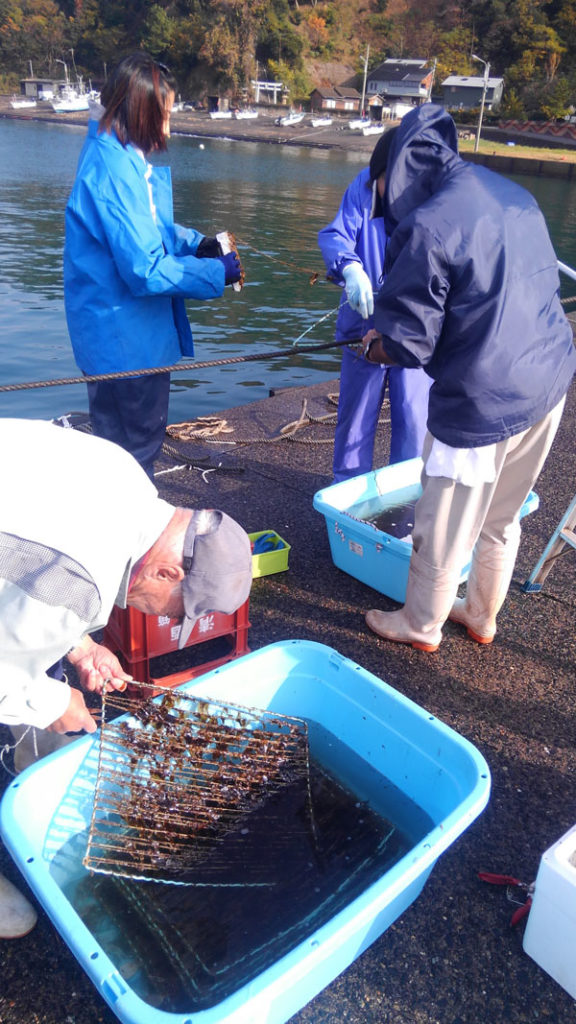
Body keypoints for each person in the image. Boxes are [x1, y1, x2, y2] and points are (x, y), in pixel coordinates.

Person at [0, 416, 253, 936]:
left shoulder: (126, 476)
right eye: (176, 610)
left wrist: (81, 645)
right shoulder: (82, 582)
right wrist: (54, 704)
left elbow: (28, 562)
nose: (164, 618)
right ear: (168, 573)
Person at [360, 103, 576, 651]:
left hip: (485, 399)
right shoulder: (510, 193)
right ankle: (480, 616)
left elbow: (410, 343)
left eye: (378, 187)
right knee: (501, 517)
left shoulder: (430, 226)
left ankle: (420, 623)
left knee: (445, 519)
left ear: (398, 173)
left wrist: (374, 346)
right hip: (549, 380)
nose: (380, 200)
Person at [64, 52, 242, 480]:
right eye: (164, 113)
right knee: (136, 450)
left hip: (111, 337)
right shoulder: (114, 169)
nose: (168, 125)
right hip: (126, 342)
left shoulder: (118, 156)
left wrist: (197, 244)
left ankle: (112, 536)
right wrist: (218, 273)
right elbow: (144, 268)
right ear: (141, 111)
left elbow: (148, 227)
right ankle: (134, 540)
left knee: (112, 450)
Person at [318, 130, 431, 482]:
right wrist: (350, 269)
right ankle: (346, 496)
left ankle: (407, 497)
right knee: (355, 416)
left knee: (414, 415)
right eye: (381, 180)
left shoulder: (430, 200)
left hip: (412, 324)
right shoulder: (363, 186)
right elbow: (336, 235)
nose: (387, 189)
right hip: (360, 317)